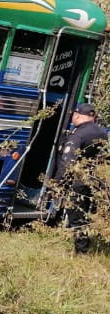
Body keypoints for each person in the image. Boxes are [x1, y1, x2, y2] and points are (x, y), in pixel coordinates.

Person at [54, 103, 106, 254]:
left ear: (76, 115)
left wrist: (58, 183)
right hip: (96, 180)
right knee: (87, 213)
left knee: (76, 215)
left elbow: (67, 161)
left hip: (78, 182)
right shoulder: (101, 132)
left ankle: (81, 251)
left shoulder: (78, 134)